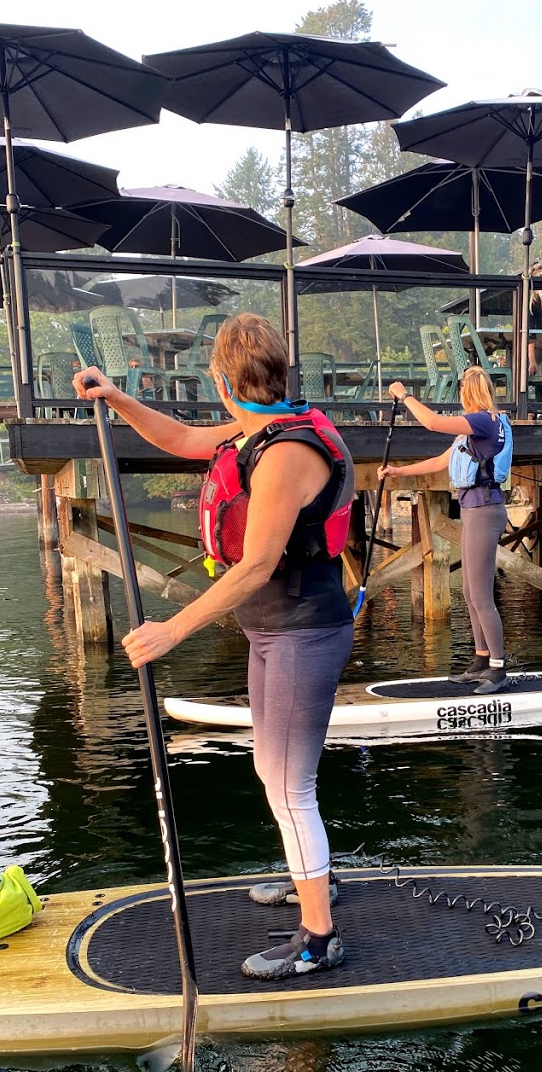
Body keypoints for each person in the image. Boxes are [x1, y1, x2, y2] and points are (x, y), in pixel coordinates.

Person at [72, 313, 354, 982]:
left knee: (290, 787)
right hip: (271, 629)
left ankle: (320, 936)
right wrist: (115, 395)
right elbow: (180, 436)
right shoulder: (260, 424)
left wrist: (173, 629)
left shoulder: (286, 451)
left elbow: (257, 564)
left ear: (222, 381)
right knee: (274, 775)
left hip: (302, 629)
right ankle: (317, 879)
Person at [379, 367, 513, 694]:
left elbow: (433, 423)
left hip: (484, 510)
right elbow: (440, 462)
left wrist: (405, 395)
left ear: (469, 393)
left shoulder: (483, 420)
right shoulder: (476, 430)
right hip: (473, 510)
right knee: (469, 591)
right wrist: (398, 472)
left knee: (480, 594)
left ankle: (498, 668)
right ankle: (481, 660)